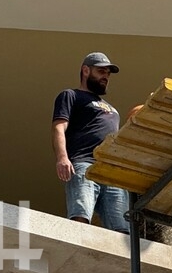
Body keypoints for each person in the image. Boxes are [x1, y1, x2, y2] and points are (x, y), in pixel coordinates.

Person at [51, 51, 128, 233]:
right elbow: (58, 128)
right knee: (81, 214)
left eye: (108, 74)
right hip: (84, 164)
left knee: (122, 228)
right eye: (101, 71)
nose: (105, 77)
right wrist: (62, 157)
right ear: (86, 70)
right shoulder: (71, 95)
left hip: (111, 171)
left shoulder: (113, 110)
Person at [125, 105, 172, 249]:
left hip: (162, 212)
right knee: (135, 252)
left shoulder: (162, 152)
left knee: (167, 253)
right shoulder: (125, 149)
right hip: (134, 208)